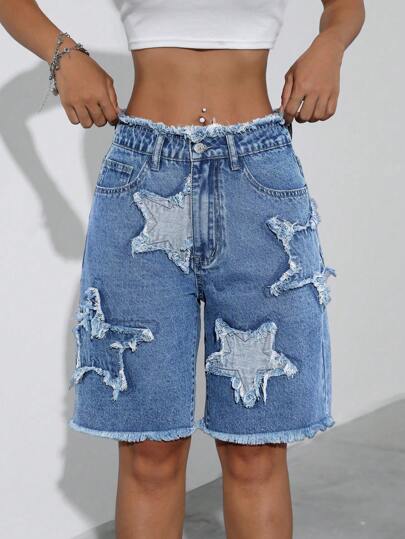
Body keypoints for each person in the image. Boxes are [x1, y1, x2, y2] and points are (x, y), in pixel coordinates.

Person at [0, 1, 365, 537]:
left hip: (259, 183)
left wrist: (330, 45)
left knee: (256, 449)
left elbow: (346, 6)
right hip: (142, 176)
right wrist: (64, 55)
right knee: (150, 450)